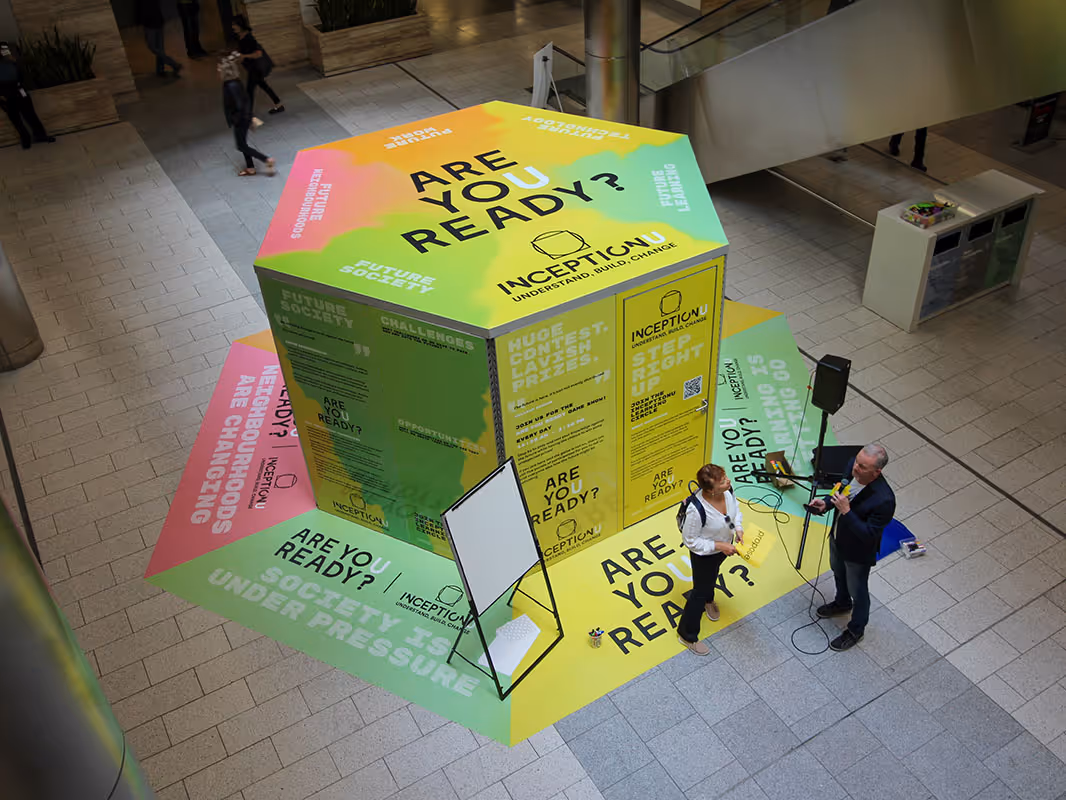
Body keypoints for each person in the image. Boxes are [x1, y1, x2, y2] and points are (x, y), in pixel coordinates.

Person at [809, 443, 896, 652]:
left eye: (863, 467)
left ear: (877, 472)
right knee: (838, 572)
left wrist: (847, 512)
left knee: (858, 591)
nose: (856, 468)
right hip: (838, 537)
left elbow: (869, 536)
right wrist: (827, 503)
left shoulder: (884, 500)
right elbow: (841, 489)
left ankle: (856, 629)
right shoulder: (852, 466)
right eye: (857, 462)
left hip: (858, 553)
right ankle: (841, 603)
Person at [677, 464, 744, 656]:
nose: (728, 481)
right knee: (699, 591)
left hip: (723, 548)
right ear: (711, 490)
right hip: (705, 554)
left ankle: (709, 599)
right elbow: (691, 541)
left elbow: (732, 513)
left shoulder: (728, 491)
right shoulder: (696, 511)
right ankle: (687, 634)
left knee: (712, 576)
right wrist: (720, 546)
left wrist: (737, 529)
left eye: (725, 477)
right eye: (723, 481)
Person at [220, 56, 275, 177]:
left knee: (241, 145)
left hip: (240, 119)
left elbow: (239, 104)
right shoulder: (236, 82)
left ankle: (266, 160)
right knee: (243, 144)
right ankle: (250, 167)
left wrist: (238, 119)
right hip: (244, 117)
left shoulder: (230, 85)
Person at [0, 41, 55, 150]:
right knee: (15, 118)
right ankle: (26, 139)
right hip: (4, 92)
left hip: (18, 88)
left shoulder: (4, 47)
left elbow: (14, 62)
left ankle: (40, 136)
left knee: (30, 114)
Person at [232, 15, 284, 115]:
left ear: (240, 25)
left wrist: (244, 56)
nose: (233, 27)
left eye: (234, 24)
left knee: (249, 91)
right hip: (252, 67)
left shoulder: (249, 38)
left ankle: (248, 114)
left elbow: (258, 54)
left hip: (255, 68)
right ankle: (279, 105)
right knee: (264, 86)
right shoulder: (241, 36)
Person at [138, 0, 182, 78]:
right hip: (158, 21)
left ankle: (172, 64)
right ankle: (160, 70)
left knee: (153, 47)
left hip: (150, 23)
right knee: (159, 48)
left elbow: (142, 10)